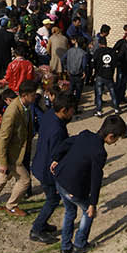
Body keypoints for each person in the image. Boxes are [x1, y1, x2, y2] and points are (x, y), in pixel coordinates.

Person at [50, 115, 126, 253]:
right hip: (73, 189)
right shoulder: (100, 152)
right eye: (117, 138)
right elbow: (96, 178)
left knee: (69, 212)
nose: (116, 141)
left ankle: (65, 247)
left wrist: (56, 158)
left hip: (60, 180)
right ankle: (80, 244)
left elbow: (66, 143)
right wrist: (93, 203)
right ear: (111, 136)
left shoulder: (85, 134)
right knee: (88, 212)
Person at [0, 80, 37, 215]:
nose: (35, 97)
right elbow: (3, 138)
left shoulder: (25, 106)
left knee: (5, 176)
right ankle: (11, 206)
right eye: (33, 95)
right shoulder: (12, 111)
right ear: (24, 95)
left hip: (15, 150)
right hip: (11, 153)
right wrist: (2, 162)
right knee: (24, 180)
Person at [28, 93, 73, 244]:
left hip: (39, 162)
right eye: (71, 111)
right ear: (64, 110)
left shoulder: (49, 115)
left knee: (51, 198)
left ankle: (42, 224)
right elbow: (56, 156)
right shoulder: (57, 130)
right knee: (53, 199)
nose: (73, 113)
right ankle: (37, 229)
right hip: (46, 170)